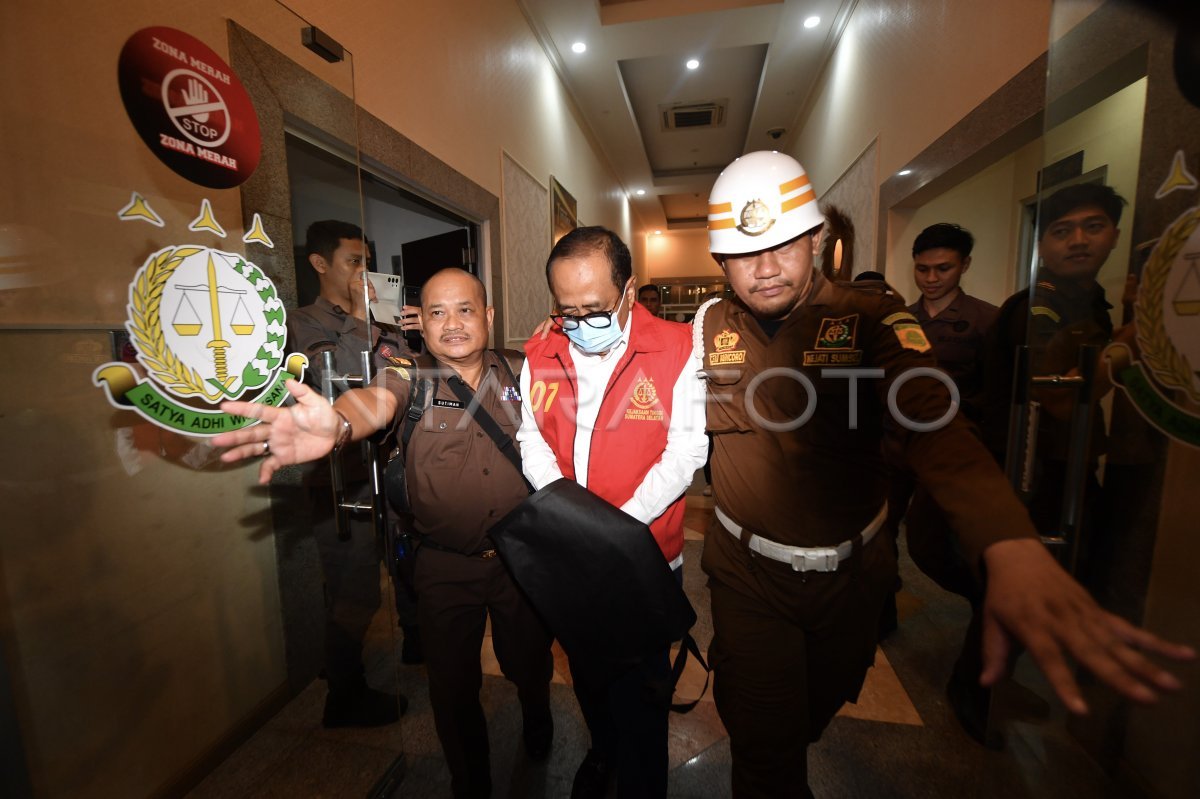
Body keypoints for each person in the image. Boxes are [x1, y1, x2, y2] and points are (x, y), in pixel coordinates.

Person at [698, 151, 1193, 797]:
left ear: (817, 238)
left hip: (852, 578)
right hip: (747, 575)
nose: (764, 267)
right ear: (720, 261)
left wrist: (1006, 537)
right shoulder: (709, 325)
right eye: (741, 252)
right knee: (765, 748)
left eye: (784, 243)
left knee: (811, 714)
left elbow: (933, 418)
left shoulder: (873, 318)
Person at [216, 268, 554, 798]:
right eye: (437, 312)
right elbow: (375, 402)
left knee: (529, 664)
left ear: (488, 316)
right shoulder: (405, 375)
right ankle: (472, 783)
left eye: (465, 309)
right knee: (452, 687)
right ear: (421, 324)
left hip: (520, 562)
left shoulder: (523, 371)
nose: (453, 324)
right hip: (443, 568)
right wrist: (339, 423)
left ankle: (538, 715)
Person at [516, 226, 708, 798]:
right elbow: (532, 437)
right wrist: (569, 519)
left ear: (629, 292)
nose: (578, 324)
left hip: (641, 554)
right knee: (587, 671)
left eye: (594, 308)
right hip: (571, 556)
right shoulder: (542, 351)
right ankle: (602, 750)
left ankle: (643, 781)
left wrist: (616, 526)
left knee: (644, 686)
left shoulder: (677, 348)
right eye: (565, 310)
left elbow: (687, 450)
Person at [286, 219, 418, 727]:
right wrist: (363, 322)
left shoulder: (380, 325)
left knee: (406, 565)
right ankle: (344, 693)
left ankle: (416, 643)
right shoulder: (302, 323)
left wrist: (412, 334)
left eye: (367, 261)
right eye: (353, 261)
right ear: (320, 264)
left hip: (389, 474)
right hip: (342, 480)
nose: (365, 272)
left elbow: (403, 378)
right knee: (353, 590)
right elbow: (330, 380)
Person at [900, 222, 1003, 744]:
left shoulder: (988, 321)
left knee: (938, 542)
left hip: (956, 452)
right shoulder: (901, 321)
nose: (932, 278)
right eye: (923, 269)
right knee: (899, 541)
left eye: (943, 268)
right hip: (899, 449)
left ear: (964, 266)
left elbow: (999, 395)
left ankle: (988, 607)